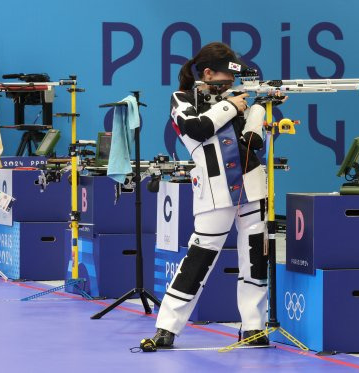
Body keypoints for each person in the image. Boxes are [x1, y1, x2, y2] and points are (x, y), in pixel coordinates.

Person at [146, 42, 286, 348]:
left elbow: (253, 144)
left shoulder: (239, 102)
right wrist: (232, 106)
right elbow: (196, 129)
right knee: (199, 259)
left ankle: (253, 328)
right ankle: (167, 327)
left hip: (251, 188)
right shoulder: (182, 99)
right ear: (207, 73)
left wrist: (263, 107)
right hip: (214, 192)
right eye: (226, 78)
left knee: (255, 259)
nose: (232, 85)